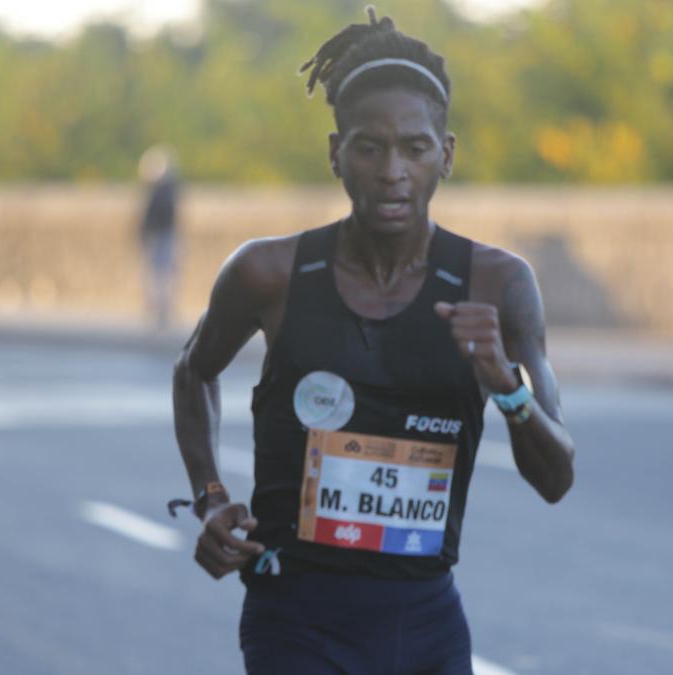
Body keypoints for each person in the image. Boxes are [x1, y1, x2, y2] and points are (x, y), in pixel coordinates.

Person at [172, 7, 575, 674]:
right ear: (336, 153)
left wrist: (506, 386)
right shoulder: (269, 273)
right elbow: (193, 370)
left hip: (425, 620)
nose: (393, 171)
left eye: (415, 149)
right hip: (294, 612)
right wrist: (210, 496)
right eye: (369, 146)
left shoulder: (498, 283)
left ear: (444, 156)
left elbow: (557, 476)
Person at [138, 145, 180, 330]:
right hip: (163, 237)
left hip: (161, 238)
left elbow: (152, 218)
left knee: (160, 275)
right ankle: (161, 311)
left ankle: (161, 311)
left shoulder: (161, 192)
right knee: (162, 275)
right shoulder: (169, 191)